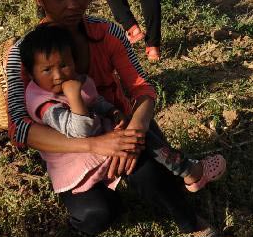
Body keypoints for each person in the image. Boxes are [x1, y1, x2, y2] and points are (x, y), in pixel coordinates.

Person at [5, 0, 222, 236]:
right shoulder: (23, 54)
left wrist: (134, 133)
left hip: (122, 127)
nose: (74, 5)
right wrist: (97, 146)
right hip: (72, 149)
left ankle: (193, 224)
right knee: (98, 212)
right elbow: (19, 129)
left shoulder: (107, 33)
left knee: (150, 174)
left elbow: (142, 88)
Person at [20, 23, 225, 196]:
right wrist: (73, 96)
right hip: (80, 159)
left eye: (64, 65)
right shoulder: (44, 103)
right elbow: (80, 132)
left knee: (139, 133)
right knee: (143, 142)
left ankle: (180, 176)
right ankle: (190, 170)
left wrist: (111, 111)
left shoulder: (96, 48)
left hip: (104, 137)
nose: (58, 75)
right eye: (47, 70)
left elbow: (94, 98)